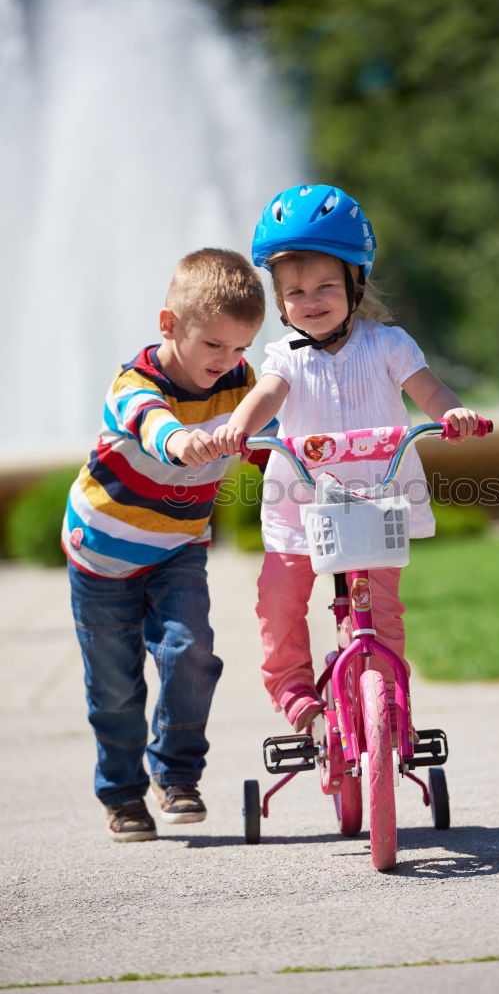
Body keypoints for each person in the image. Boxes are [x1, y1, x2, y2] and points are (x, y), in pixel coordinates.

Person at [215, 184, 483, 733]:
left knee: (380, 610)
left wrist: (454, 415)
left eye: (325, 286)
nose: (310, 300)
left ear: (355, 282)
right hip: (300, 504)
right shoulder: (282, 357)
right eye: (294, 291)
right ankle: (293, 691)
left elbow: (428, 390)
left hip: (376, 498)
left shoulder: (388, 344)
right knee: (281, 597)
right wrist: (237, 428)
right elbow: (264, 396)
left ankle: (388, 701)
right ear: (280, 300)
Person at [63, 248, 276, 842]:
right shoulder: (134, 383)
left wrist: (304, 464)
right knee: (115, 688)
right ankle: (123, 794)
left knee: (191, 652)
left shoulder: (239, 384)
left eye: (240, 348)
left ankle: (177, 775)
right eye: (213, 345)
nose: (227, 361)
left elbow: (265, 441)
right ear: (169, 326)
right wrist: (179, 442)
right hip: (102, 553)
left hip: (178, 546)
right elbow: (149, 421)